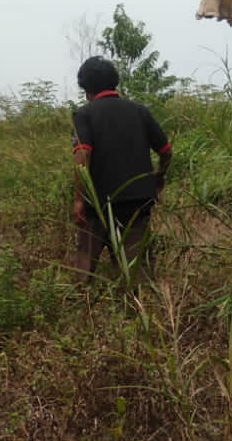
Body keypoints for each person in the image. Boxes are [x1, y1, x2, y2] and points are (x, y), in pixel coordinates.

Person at [71, 55, 172, 278]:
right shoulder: (140, 111)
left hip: (97, 205)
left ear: (86, 89)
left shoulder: (85, 114)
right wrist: (159, 175)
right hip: (137, 203)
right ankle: (137, 308)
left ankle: (85, 306)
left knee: (84, 272)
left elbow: (83, 154)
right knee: (138, 273)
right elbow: (166, 151)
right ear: (114, 82)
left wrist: (79, 199)